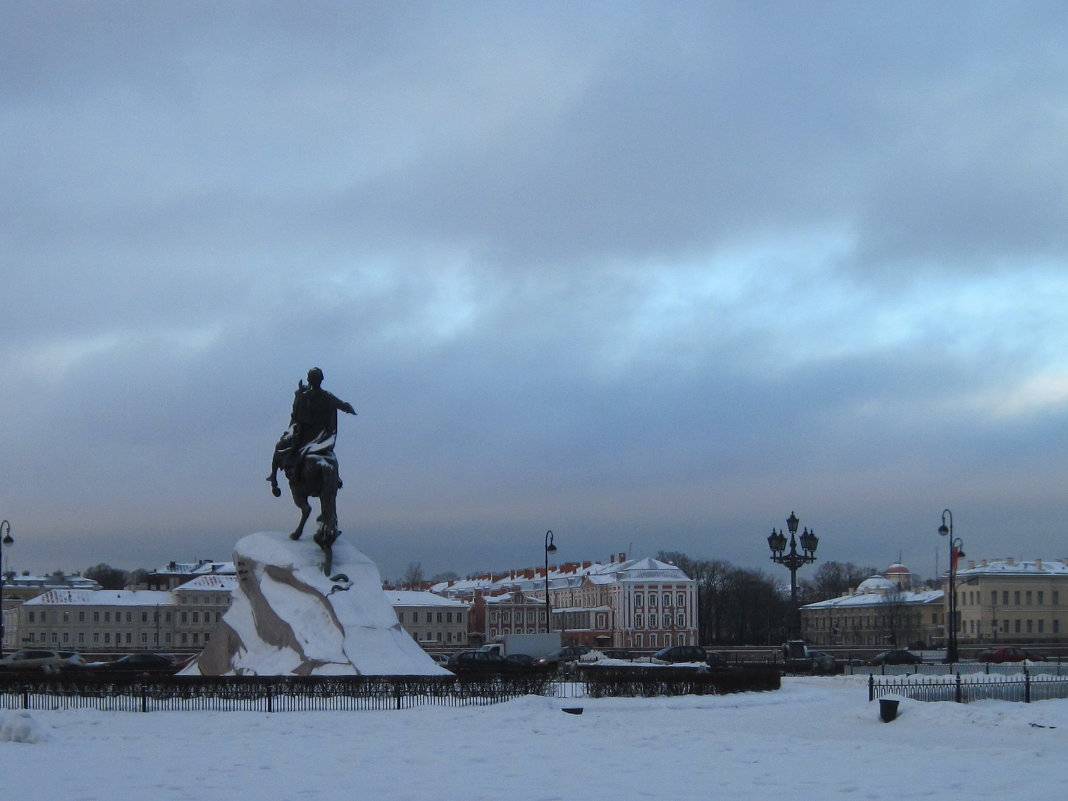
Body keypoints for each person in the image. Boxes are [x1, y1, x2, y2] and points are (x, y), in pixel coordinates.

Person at [268, 368, 356, 490]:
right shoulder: (326, 396)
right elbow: (342, 405)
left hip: (306, 434)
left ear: (309, 380)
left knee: (281, 447)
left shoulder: (306, 396)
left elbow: (295, 415)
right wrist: (349, 409)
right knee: (330, 455)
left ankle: (275, 475)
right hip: (323, 436)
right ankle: (336, 476)